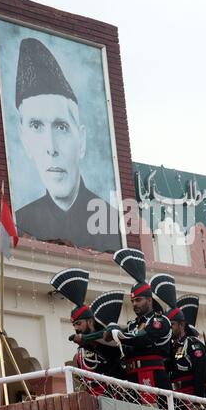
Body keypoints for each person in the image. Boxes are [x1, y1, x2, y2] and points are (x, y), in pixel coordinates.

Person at [15, 37, 121, 252]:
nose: (51, 147)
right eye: (36, 126)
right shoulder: (20, 222)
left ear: (81, 140)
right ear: (24, 139)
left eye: (61, 127)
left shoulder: (112, 223)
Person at [106, 248, 173, 405]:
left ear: (149, 300)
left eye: (139, 300)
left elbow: (144, 338)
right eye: (133, 301)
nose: (135, 304)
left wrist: (119, 335)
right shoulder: (132, 325)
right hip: (132, 379)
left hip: (153, 377)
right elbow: (120, 343)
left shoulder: (160, 320)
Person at [51, 268, 125, 396]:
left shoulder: (106, 338)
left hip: (114, 397)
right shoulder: (81, 350)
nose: (76, 328)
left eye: (79, 324)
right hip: (92, 399)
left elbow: (112, 350)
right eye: (74, 325)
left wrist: (88, 340)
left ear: (90, 322)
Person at [167, 295, 206, 400]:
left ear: (181, 325)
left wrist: (197, 402)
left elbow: (200, 374)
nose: (169, 328)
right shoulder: (171, 346)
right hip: (175, 396)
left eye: (172, 324)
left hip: (190, 395)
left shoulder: (192, 344)